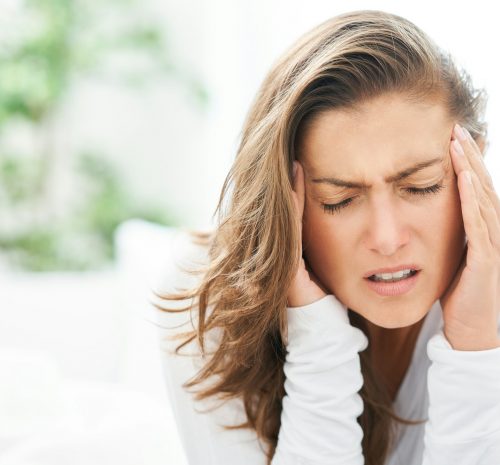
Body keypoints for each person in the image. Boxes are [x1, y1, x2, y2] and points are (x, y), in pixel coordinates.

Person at [151, 9, 500, 465]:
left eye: (420, 187)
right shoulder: (205, 298)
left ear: (472, 165)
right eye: (339, 199)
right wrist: (318, 347)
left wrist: (476, 347)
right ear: (284, 203)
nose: (388, 238)